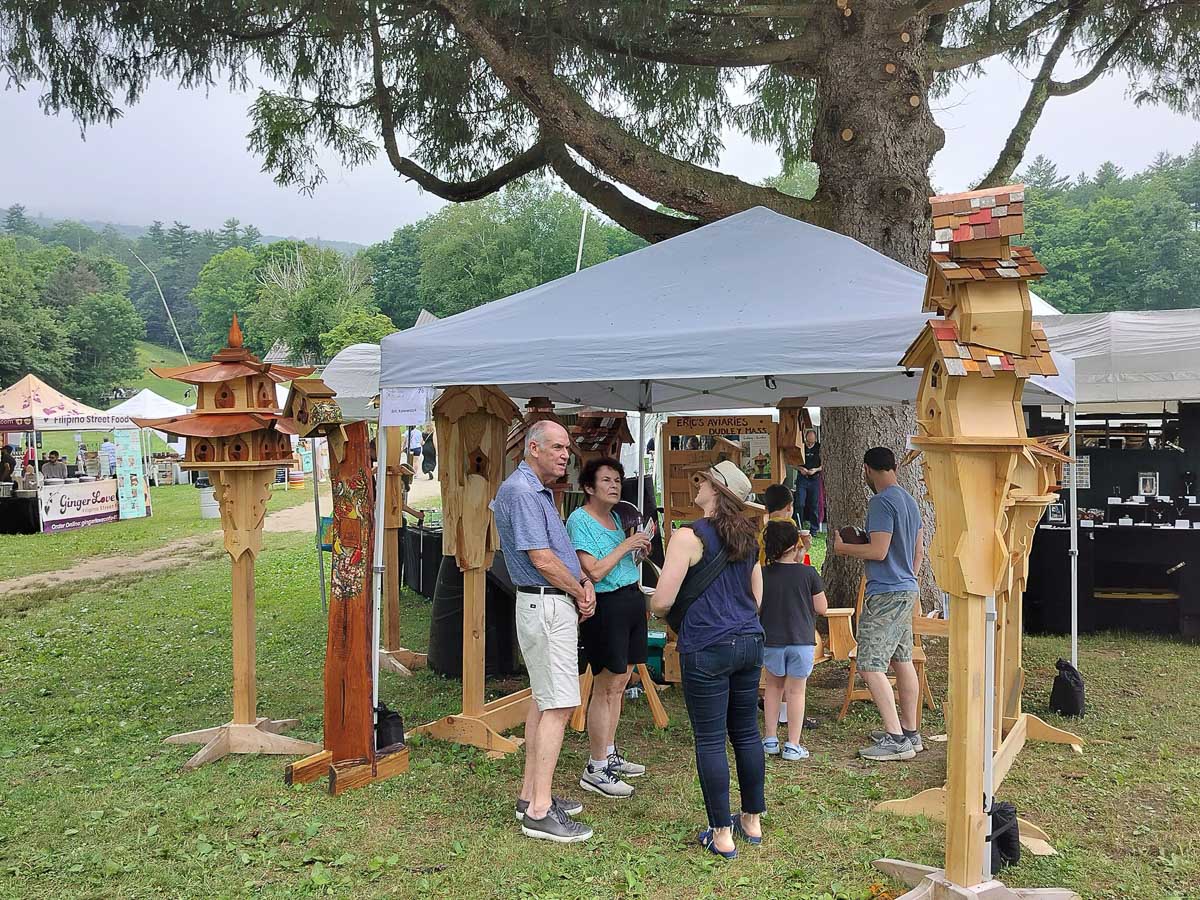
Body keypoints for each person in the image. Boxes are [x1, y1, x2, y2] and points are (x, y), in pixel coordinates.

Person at [651, 460, 765, 859]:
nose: (696, 483)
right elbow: (757, 597)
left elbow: (664, 601)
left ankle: (721, 834)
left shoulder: (687, 536)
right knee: (747, 733)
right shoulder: (749, 537)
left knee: (711, 739)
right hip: (750, 641)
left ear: (716, 491)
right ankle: (751, 821)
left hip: (707, 646)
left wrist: (656, 609)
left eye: (703, 480)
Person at [492, 419, 597, 843]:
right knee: (558, 705)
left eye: (567, 449)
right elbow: (541, 558)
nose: (564, 455)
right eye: (556, 447)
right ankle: (539, 811)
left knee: (544, 700)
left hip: (549, 602)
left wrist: (581, 585)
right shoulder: (521, 492)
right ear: (532, 448)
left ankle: (530, 796)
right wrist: (579, 590)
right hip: (547, 603)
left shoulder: (534, 491)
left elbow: (556, 554)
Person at [566, 457, 653, 800]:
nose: (615, 485)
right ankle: (596, 766)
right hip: (606, 606)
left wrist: (638, 552)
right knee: (605, 685)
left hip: (631, 599)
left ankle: (609, 751)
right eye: (606, 480)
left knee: (620, 683)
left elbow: (620, 563)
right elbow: (595, 571)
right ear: (589, 487)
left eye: (617, 480)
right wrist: (626, 546)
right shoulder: (579, 521)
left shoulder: (618, 518)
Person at [832, 446, 924, 762]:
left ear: (867, 470)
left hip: (885, 593)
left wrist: (844, 548)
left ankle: (896, 739)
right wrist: (906, 578)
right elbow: (918, 554)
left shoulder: (881, 502)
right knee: (902, 660)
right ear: (894, 467)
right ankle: (911, 733)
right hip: (907, 588)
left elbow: (879, 551)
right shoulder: (911, 501)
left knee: (871, 665)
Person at [759, 519, 827, 761]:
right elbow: (822, 607)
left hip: (771, 641)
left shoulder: (763, 574)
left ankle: (769, 739)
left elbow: (755, 605)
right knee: (796, 692)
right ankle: (793, 744)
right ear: (795, 545)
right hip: (801, 641)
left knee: (773, 688)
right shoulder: (808, 573)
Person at [759, 483, 811, 565]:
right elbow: (796, 558)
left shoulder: (764, 531)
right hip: (785, 576)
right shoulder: (789, 525)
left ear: (766, 508)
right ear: (789, 506)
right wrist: (805, 547)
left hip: (764, 575)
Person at [794, 429, 822, 531]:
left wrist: (816, 470)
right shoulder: (801, 447)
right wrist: (800, 469)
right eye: (809, 437)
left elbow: (824, 464)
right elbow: (793, 463)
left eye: (812, 437)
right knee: (800, 503)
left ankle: (814, 529)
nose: (810, 439)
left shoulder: (819, 448)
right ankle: (799, 527)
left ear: (815, 438)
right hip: (802, 479)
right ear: (806, 437)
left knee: (814, 504)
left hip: (814, 479)